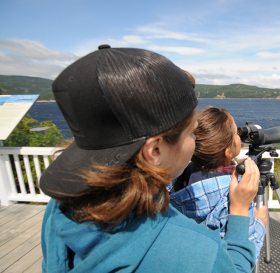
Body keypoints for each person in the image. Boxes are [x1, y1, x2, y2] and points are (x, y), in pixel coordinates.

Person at [39, 45, 260, 272]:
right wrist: (241, 211)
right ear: (155, 150)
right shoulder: (197, 252)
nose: (196, 140)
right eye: (192, 132)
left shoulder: (61, 207)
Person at [170, 106, 267, 260]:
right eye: (236, 132)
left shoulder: (182, 174)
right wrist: (259, 224)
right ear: (228, 151)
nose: (239, 134)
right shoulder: (235, 192)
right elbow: (246, 250)